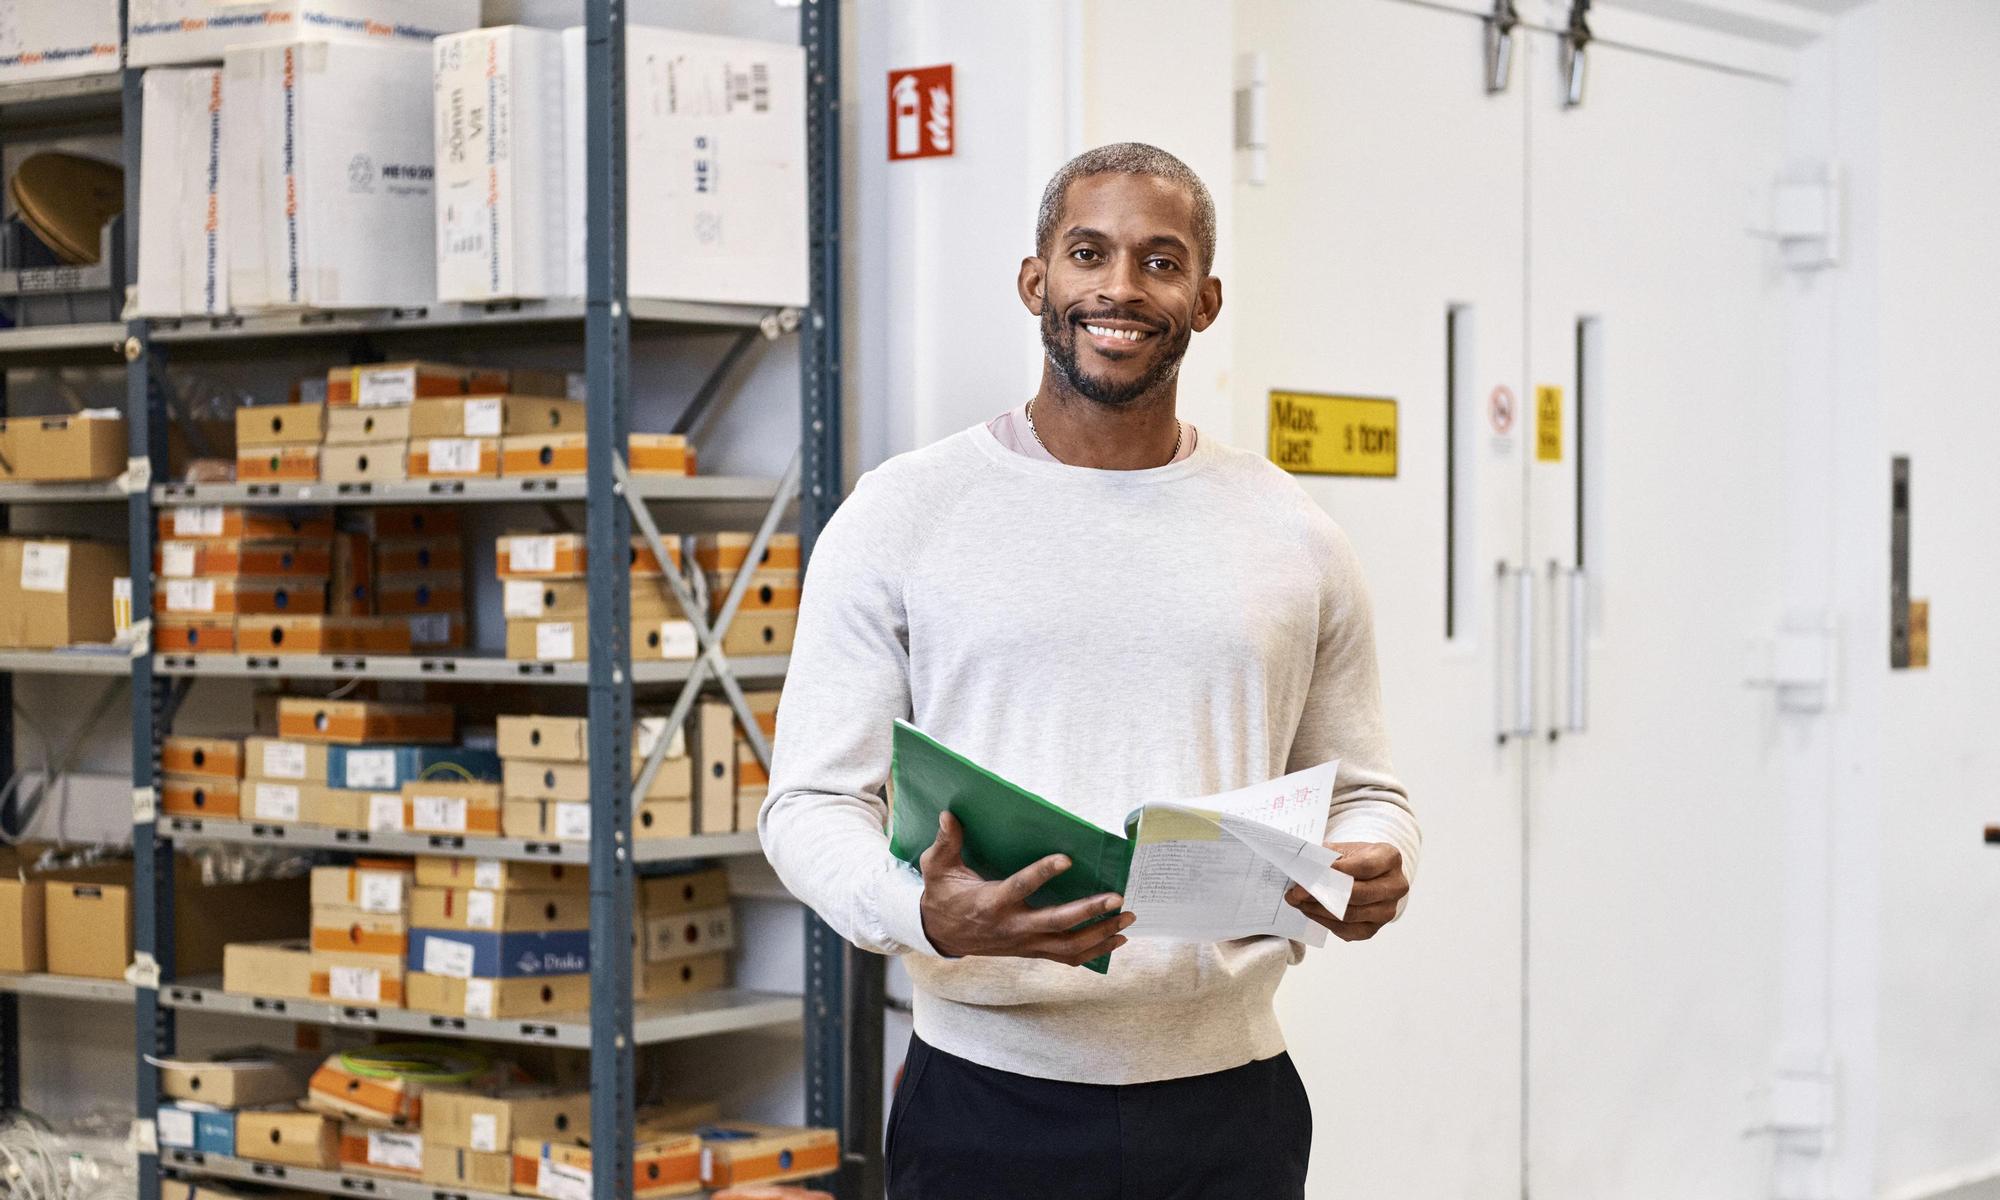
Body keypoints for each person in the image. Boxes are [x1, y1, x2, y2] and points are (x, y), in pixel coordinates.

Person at [760, 143, 1420, 1200]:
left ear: (1203, 301)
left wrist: (1373, 859)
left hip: (1230, 1102)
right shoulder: (902, 514)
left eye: (1159, 262)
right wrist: (921, 911)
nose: (1118, 287)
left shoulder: (1293, 533)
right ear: (1036, 281)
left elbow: (1367, 792)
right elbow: (805, 805)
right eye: (1086, 253)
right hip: (983, 1097)